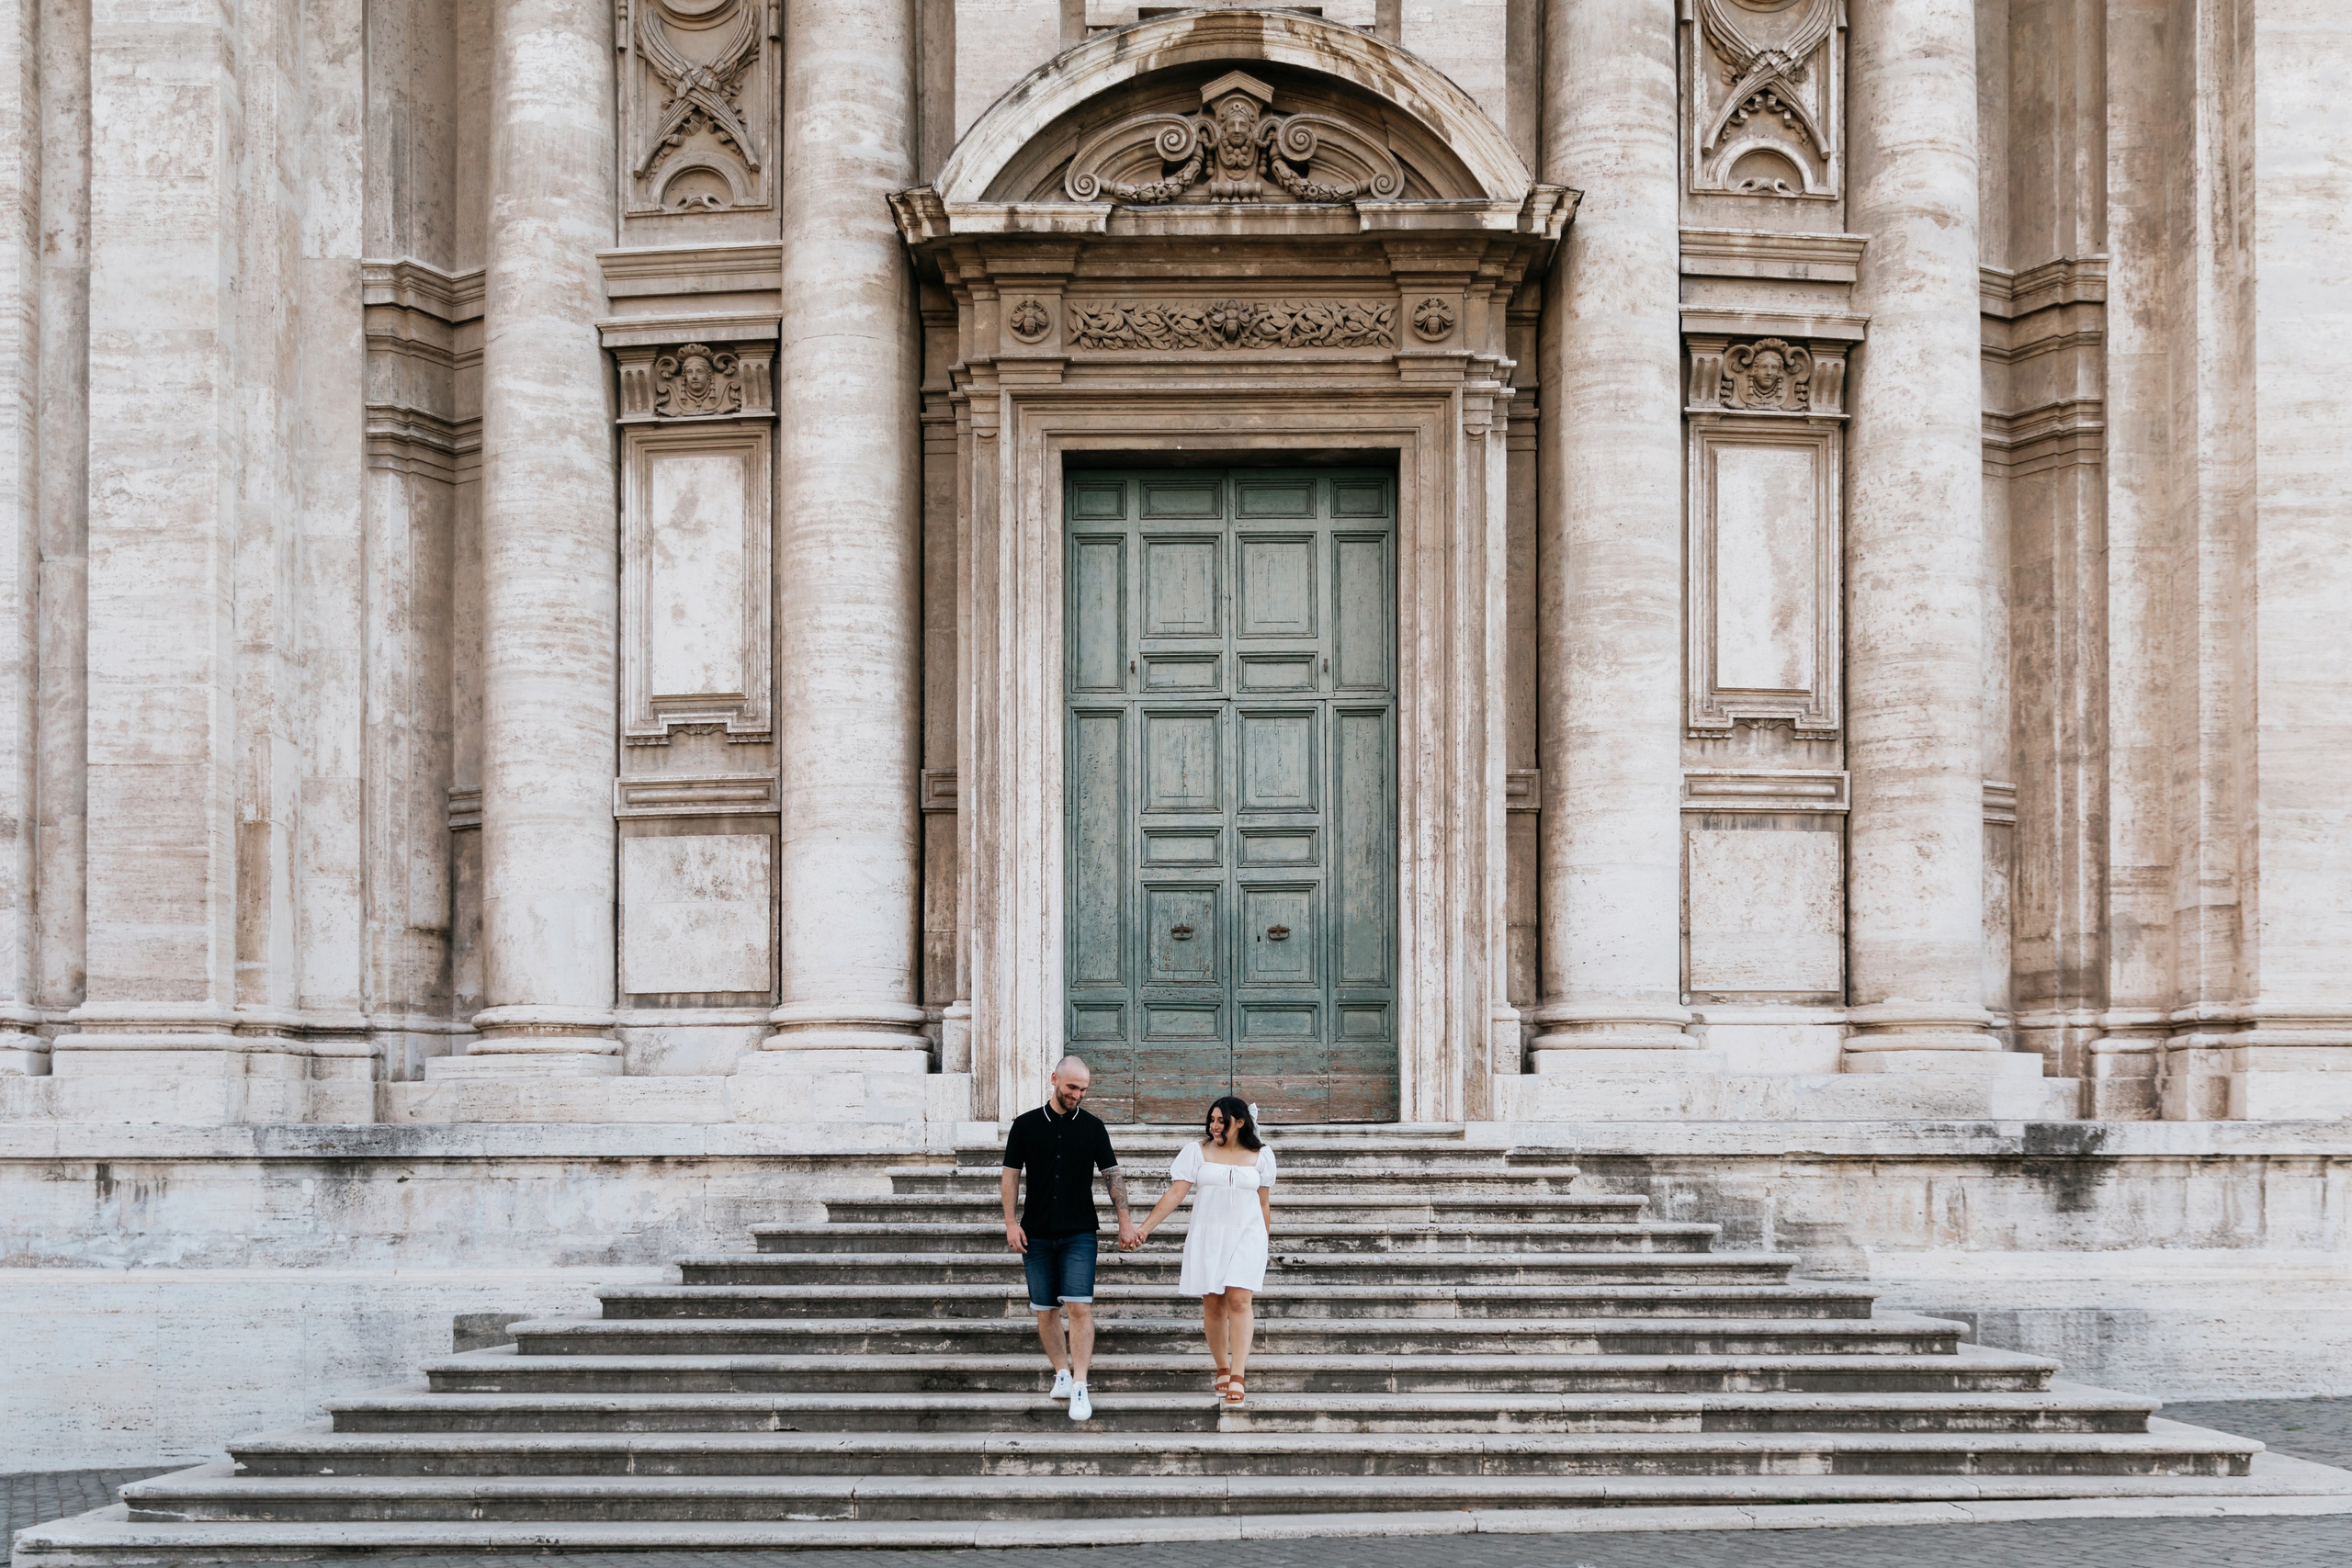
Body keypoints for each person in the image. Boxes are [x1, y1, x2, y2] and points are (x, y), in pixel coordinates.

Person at [1001, 1055, 1139, 1422]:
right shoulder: (1025, 1126)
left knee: (1078, 1306)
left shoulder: (1093, 1128)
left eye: (1083, 1090)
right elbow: (1011, 1176)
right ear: (1054, 1080)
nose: (1077, 1095)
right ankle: (1061, 1372)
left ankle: (1080, 1383)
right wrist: (1011, 1222)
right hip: (1036, 1232)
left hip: (1080, 1232)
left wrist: (1125, 1222)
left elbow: (1113, 1176)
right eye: (1072, 1088)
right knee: (1045, 1309)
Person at [1131, 1095, 1275, 1405]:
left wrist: (1263, 1241)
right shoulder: (1197, 1152)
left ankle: (1238, 1373)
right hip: (1208, 1235)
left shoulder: (1262, 1156)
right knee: (1213, 1305)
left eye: (1220, 1121)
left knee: (1239, 1301)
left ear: (1239, 1122)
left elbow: (1264, 1204)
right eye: (1211, 1120)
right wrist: (1145, 1228)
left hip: (1248, 1236)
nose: (1214, 1126)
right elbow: (1174, 1194)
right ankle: (1222, 1366)